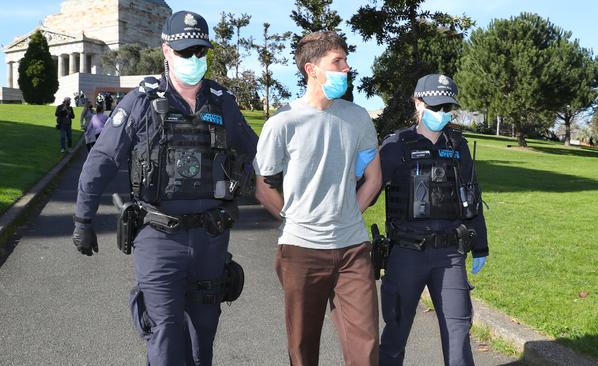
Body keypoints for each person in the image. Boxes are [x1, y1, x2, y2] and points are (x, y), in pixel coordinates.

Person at [71, 10, 258, 365]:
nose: (192, 59)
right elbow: (101, 160)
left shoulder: (223, 102)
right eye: (184, 51)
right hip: (158, 238)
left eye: (199, 52)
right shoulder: (142, 101)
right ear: (166, 52)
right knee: (166, 332)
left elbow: (259, 154)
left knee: (203, 333)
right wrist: (83, 220)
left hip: (211, 238)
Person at [254, 31, 383, 366]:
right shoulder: (283, 122)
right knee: (302, 346)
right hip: (300, 250)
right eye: (337, 62)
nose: (346, 67)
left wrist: (350, 211)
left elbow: (373, 177)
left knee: (365, 346)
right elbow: (263, 186)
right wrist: (294, 219)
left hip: (353, 247)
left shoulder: (358, 118)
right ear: (312, 69)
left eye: (345, 60)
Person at [374, 74, 489, 366]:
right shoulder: (396, 144)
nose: (441, 113)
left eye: (447, 107)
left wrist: (481, 245)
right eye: (435, 106)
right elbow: (368, 190)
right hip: (406, 255)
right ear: (418, 102)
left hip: (450, 256)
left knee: (458, 334)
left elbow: (471, 197)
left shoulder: (458, 146)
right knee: (395, 336)